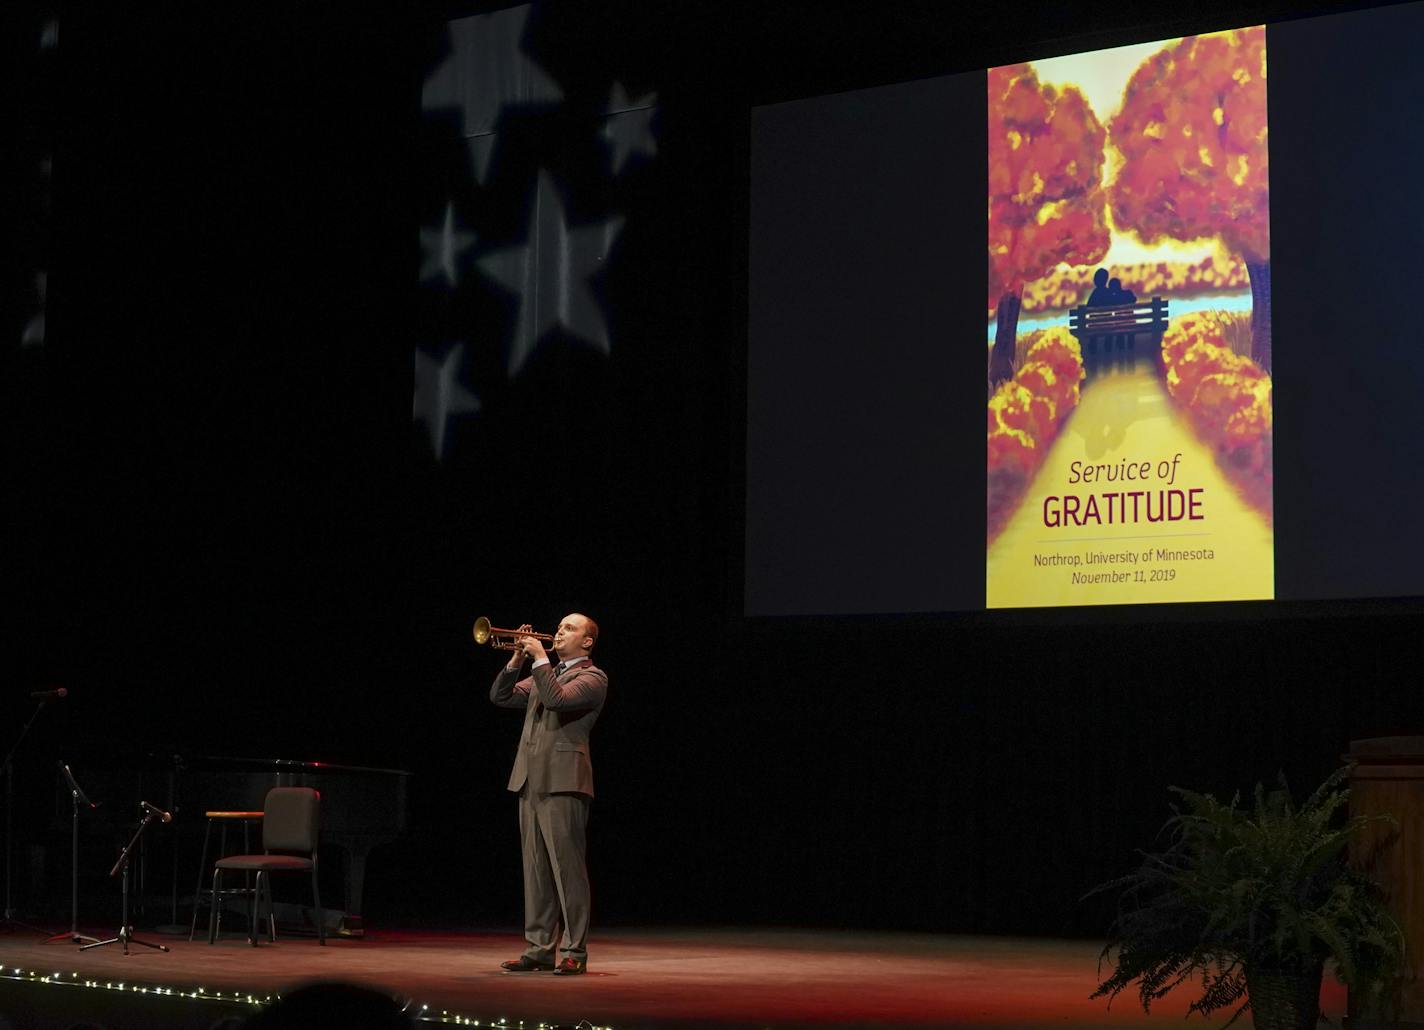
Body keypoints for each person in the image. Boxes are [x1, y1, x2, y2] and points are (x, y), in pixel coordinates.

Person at [489, 613, 607, 976]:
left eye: (569, 628)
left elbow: (557, 701)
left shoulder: (592, 677)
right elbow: (501, 696)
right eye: (558, 626)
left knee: (567, 869)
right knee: (536, 870)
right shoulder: (545, 673)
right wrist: (516, 660)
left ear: (587, 642)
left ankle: (575, 950)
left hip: (563, 781)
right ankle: (539, 948)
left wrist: (539, 657)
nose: (558, 632)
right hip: (530, 780)